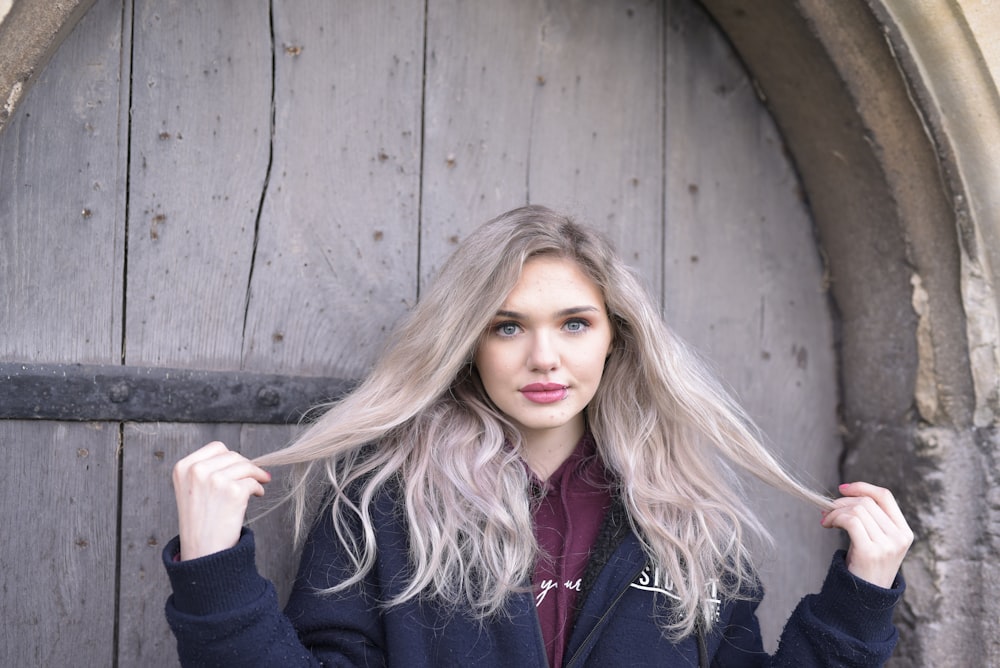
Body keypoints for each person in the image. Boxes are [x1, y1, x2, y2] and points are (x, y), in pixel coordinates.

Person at [164, 205, 913, 667]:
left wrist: (863, 597)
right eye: (508, 326)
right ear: (468, 347)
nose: (545, 357)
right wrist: (214, 572)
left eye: (574, 324)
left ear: (614, 340)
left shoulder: (688, 523)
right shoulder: (383, 507)